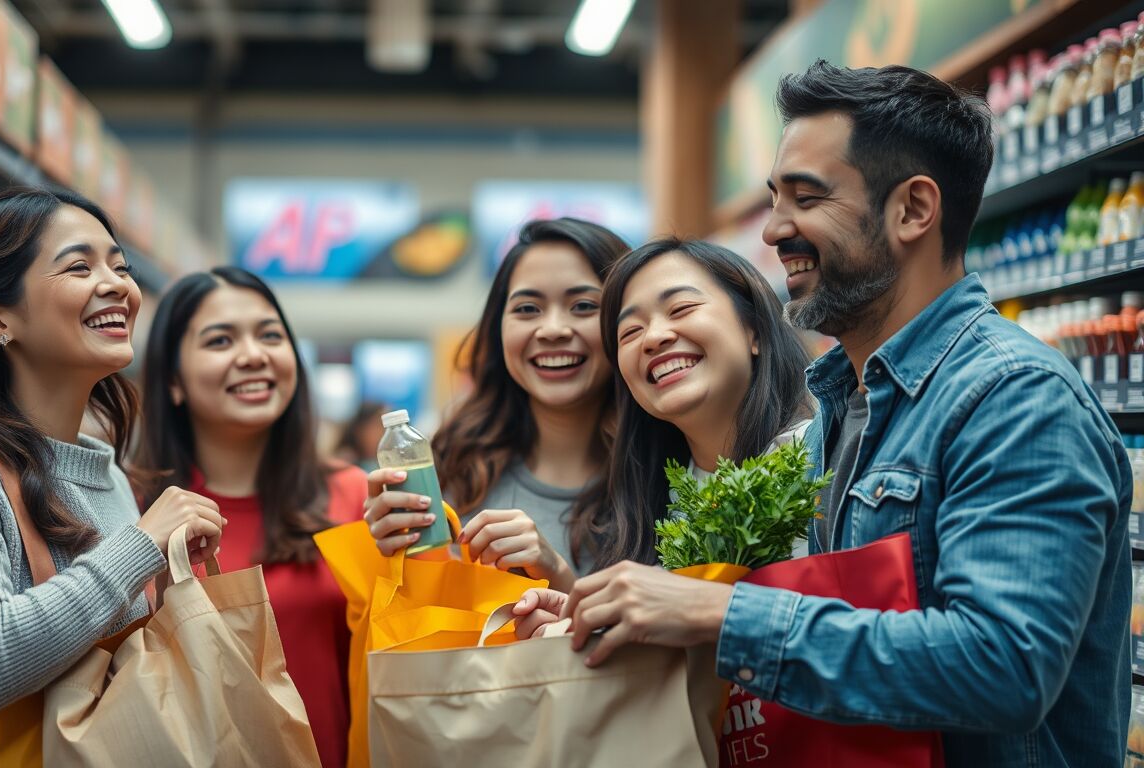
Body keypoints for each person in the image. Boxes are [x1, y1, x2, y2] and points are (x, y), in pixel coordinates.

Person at [532, 61, 1132, 767]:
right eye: (775, 200)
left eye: (807, 199)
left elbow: (1003, 667)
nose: (777, 229)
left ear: (912, 210)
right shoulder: (843, 412)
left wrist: (717, 613)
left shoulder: (1013, 397)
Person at [0, 188, 224, 767]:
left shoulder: (104, 472)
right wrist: (138, 548)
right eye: (79, 266)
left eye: (120, 265)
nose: (117, 285)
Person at [512, 237, 811, 629]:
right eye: (630, 332)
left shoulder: (822, 459)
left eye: (681, 308)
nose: (654, 337)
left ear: (754, 330)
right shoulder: (646, 509)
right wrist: (576, 616)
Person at [133, 266, 367, 768]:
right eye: (220, 340)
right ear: (173, 379)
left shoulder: (352, 495)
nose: (254, 355)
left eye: (270, 335)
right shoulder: (135, 509)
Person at [362, 219, 630, 589]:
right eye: (527, 309)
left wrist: (557, 577)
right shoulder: (451, 466)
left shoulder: (670, 478)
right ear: (498, 327)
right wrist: (393, 556)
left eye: (583, 305)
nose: (552, 329)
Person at [332, 400, 388, 472]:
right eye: (379, 425)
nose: (384, 432)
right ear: (359, 430)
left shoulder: (388, 462)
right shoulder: (343, 465)